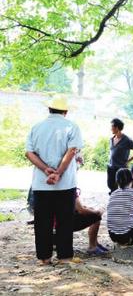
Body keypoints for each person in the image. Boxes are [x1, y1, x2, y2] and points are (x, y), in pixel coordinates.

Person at [25, 94, 83, 265]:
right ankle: (64, 257)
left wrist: (45, 169)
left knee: (42, 221)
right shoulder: (72, 127)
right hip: (65, 184)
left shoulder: (36, 127)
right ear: (65, 111)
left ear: (49, 109)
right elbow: (72, 151)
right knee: (65, 220)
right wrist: (58, 173)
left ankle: (44, 257)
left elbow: (29, 153)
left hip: (41, 184)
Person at [107, 118, 133, 193]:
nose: (111, 129)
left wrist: (129, 160)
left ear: (117, 128)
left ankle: (118, 201)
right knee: (110, 185)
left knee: (121, 188)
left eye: (112, 127)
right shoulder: (111, 139)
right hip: (111, 167)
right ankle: (114, 199)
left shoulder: (127, 140)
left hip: (120, 168)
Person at [72, 189, 109, 255]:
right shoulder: (70, 189)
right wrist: (97, 212)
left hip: (55, 223)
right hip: (65, 224)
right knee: (96, 217)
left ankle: (95, 243)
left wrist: (88, 209)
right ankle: (92, 247)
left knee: (91, 211)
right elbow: (81, 210)